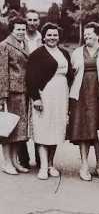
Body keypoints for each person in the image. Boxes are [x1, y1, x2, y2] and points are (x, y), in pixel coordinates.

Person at [68, 22, 99, 181]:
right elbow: (71, 74)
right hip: (81, 96)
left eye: (90, 34)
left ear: (98, 35)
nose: (86, 36)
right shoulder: (76, 52)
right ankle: (84, 166)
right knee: (84, 131)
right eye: (85, 34)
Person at [26, 23, 72, 180]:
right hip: (45, 94)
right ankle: (43, 166)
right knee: (43, 128)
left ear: (59, 36)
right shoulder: (37, 54)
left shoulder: (65, 53)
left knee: (57, 129)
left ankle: (51, 164)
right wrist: (36, 98)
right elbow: (30, 77)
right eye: (49, 35)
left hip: (61, 94)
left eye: (55, 35)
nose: (52, 38)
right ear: (44, 36)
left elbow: (70, 75)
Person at [0, 17, 29, 175]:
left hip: (23, 92)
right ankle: (7, 163)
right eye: (18, 29)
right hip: (11, 93)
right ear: (11, 30)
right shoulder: (4, 45)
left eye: (23, 29)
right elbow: (2, 72)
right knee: (7, 128)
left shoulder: (24, 44)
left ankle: (15, 161)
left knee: (19, 129)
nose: (21, 32)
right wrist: (2, 96)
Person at [18, 9, 42, 169]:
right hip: (21, 85)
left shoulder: (44, 38)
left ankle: (41, 159)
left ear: (39, 22)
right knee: (22, 121)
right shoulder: (20, 38)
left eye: (35, 20)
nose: (32, 23)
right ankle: (23, 159)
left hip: (40, 84)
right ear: (25, 21)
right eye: (29, 20)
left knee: (40, 121)